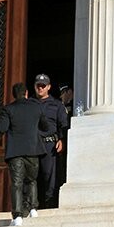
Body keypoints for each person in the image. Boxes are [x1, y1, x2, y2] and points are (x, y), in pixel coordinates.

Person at [0, 82, 53, 226]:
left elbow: (2, 128)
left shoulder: (8, 109)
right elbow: (46, 127)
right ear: (26, 93)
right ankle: (33, 209)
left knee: (16, 183)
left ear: (13, 95)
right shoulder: (36, 107)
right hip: (33, 150)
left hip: (15, 152)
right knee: (31, 180)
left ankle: (18, 216)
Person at [33, 73, 68, 209]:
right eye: (38, 86)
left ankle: (49, 205)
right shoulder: (30, 104)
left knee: (49, 176)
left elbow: (63, 124)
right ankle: (31, 206)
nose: (40, 88)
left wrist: (62, 140)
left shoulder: (57, 105)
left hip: (50, 145)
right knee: (32, 177)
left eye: (43, 86)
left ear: (48, 87)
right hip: (33, 145)